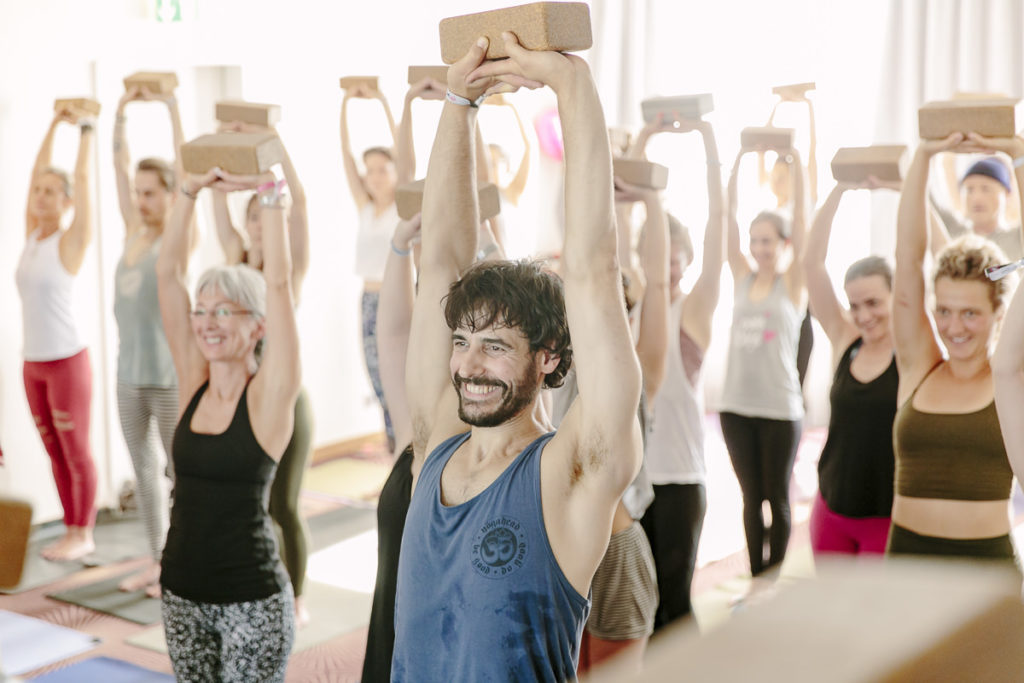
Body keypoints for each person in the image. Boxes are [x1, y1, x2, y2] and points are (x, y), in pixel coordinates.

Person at [391, 34, 643, 681]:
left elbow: (592, 268)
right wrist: (457, 100)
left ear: (548, 356)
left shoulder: (572, 472)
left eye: (497, 346)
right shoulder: (436, 443)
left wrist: (571, 85)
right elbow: (441, 260)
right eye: (463, 340)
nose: (470, 365)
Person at [156, 167, 299, 682]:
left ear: (257, 325)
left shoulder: (268, 397)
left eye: (224, 312)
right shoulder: (194, 379)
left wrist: (272, 195)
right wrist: (189, 192)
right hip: (180, 591)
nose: (207, 322)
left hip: (251, 599)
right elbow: (167, 274)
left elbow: (279, 283)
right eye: (202, 311)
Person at [888, 131, 1017, 570]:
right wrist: (924, 155)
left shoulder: (1010, 376)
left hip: (984, 567)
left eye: (970, 314)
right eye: (943, 311)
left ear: (999, 314)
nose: (953, 328)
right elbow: (907, 259)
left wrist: (1015, 156)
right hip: (906, 558)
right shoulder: (920, 365)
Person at [212, 122, 313, 626]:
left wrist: (275, 142)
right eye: (250, 218)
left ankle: (296, 597)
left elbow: (300, 203)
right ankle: (257, 584)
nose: (256, 226)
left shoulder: (289, 269)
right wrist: (218, 146)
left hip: (287, 401)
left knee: (284, 504)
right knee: (251, 505)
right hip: (242, 405)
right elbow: (216, 209)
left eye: (263, 217)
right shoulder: (234, 267)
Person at [630, 114, 726, 627]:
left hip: (681, 479)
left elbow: (719, 226)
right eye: (656, 255)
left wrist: (708, 138)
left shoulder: (693, 309)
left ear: (685, 260)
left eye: (675, 256)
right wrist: (643, 140)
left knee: (674, 606)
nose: (666, 266)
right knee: (635, 611)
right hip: (631, 478)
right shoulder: (630, 308)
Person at [112, 83, 189, 593]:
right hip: (128, 377)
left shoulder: (176, 237)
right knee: (143, 476)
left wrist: (170, 106)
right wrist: (119, 111)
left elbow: (187, 177)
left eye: (151, 192)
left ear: (167, 194)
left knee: (178, 476)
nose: (141, 200)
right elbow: (116, 167)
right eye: (137, 193)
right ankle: (158, 561)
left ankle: (183, 561)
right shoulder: (131, 233)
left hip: (166, 377)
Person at [719, 142, 807, 579]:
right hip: (736, 406)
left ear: (784, 244)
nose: (758, 248)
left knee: (778, 495)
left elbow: (806, 223)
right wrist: (736, 162)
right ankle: (756, 580)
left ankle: (774, 580)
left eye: (767, 241)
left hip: (779, 408)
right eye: (754, 241)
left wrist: (797, 159)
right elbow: (726, 222)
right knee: (750, 499)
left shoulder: (793, 284)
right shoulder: (741, 277)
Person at [803, 179, 899, 556]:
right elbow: (811, 264)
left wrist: (903, 188)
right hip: (831, 508)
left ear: (897, 296)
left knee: (874, 616)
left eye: (874, 303)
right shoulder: (846, 340)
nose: (864, 316)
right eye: (854, 306)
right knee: (829, 614)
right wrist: (839, 189)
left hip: (884, 516)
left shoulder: (912, 350)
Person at [18, 106, 96, 561]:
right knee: (53, 450)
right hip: (33, 363)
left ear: (66, 202)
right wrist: (52, 123)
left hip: (67, 362)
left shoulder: (70, 240)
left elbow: (83, 183)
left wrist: (84, 129)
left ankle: (83, 531)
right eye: (39, 191)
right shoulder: (31, 236)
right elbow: (33, 173)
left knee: (76, 449)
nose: (42, 197)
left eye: (52, 192)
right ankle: (70, 526)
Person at [340, 81, 403, 452]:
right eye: (370, 170)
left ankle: (406, 448)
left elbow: (403, 153)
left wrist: (382, 101)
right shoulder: (365, 207)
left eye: (382, 169)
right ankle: (392, 445)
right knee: (377, 380)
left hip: (396, 302)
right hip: (368, 301)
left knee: (398, 378)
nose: (374, 176)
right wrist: (345, 104)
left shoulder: (403, 207)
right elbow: (345, 156)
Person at [930, 155, 1023, 260]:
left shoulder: (1017, 237)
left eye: (985, 189)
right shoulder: (952, 230)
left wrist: (1017, 151)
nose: (976, 198)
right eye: (969, 190)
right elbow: (925, 198)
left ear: (1006, 194)